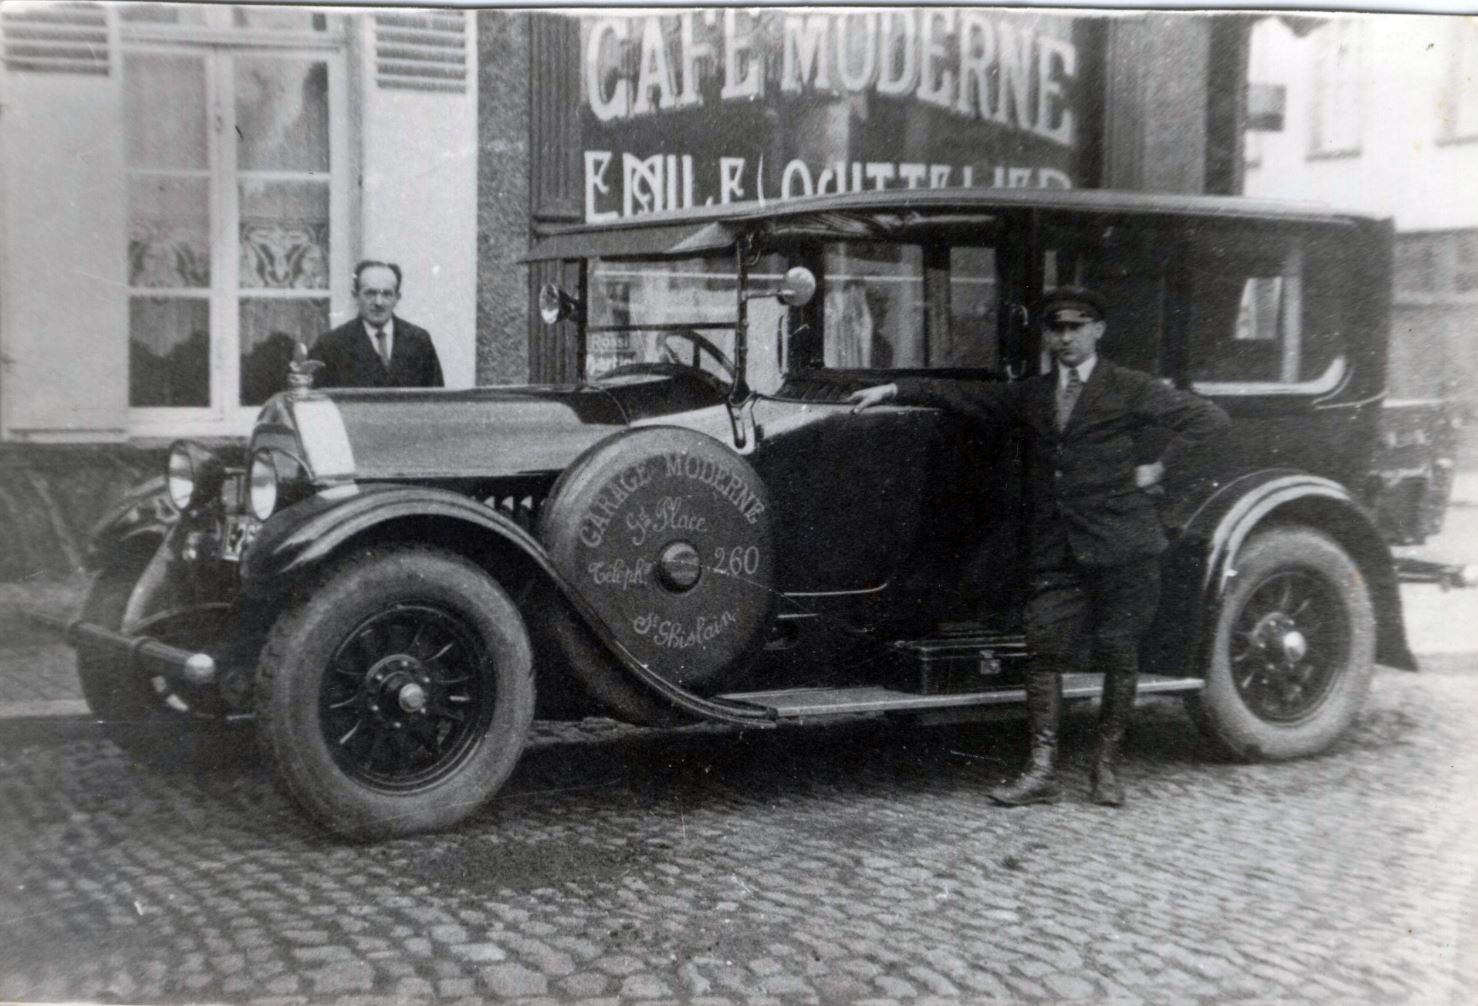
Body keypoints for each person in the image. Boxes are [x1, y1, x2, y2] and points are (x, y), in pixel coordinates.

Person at [849, 286, 1229, 807]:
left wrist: (1159, 467)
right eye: (1056, 329)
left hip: (1124, 546)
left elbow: (1208, 420)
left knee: (1119, 652)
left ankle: (1105, 769)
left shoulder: (1128, 387)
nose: (1066, 337)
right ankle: (1040, 770)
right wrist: (895, 390)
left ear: (1098, 331)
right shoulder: (1035, 393)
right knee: (1042, 648)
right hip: (1058, 551)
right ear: (1047, 337)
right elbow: (971, 398)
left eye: (1077, 327)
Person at [310, 260, 444, 389]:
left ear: (397, 298)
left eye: (387, 294)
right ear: (355, 295)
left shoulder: (419, 341)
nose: (379, 302)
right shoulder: (330, 345)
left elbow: (437, 401)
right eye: (370, 293)